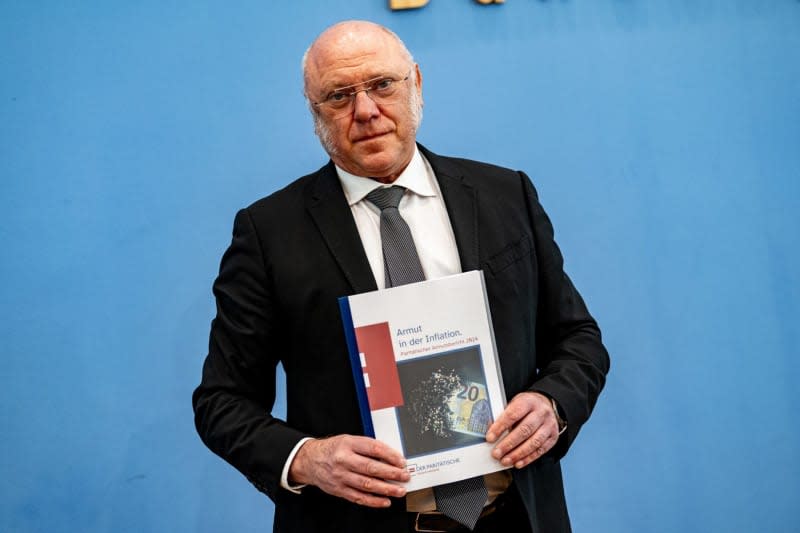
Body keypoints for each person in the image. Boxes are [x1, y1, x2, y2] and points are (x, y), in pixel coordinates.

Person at [193, 20, 609, 533]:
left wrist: (553, 404)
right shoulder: (268, 232)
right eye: (339, 96)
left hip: (516, 516)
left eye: (382, 85)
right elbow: (221, 401)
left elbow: (578, 338)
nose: (365, 111)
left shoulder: (506, 195)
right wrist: (307, 458)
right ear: (314, 112)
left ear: (417, 83)